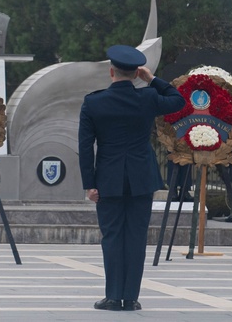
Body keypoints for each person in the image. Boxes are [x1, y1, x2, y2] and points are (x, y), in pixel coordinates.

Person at [78, 45, 186, 312]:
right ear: (136, 72)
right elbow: (178, 100)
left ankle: (114, 296)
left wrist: (89, 184)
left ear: (111, 71)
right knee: (136, 237)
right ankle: (131, 298)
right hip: (141, 178)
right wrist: (151, 80)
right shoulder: (148, 97)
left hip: (108, 179)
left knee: (112, 236)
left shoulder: (93, 102)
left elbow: (85, 146)